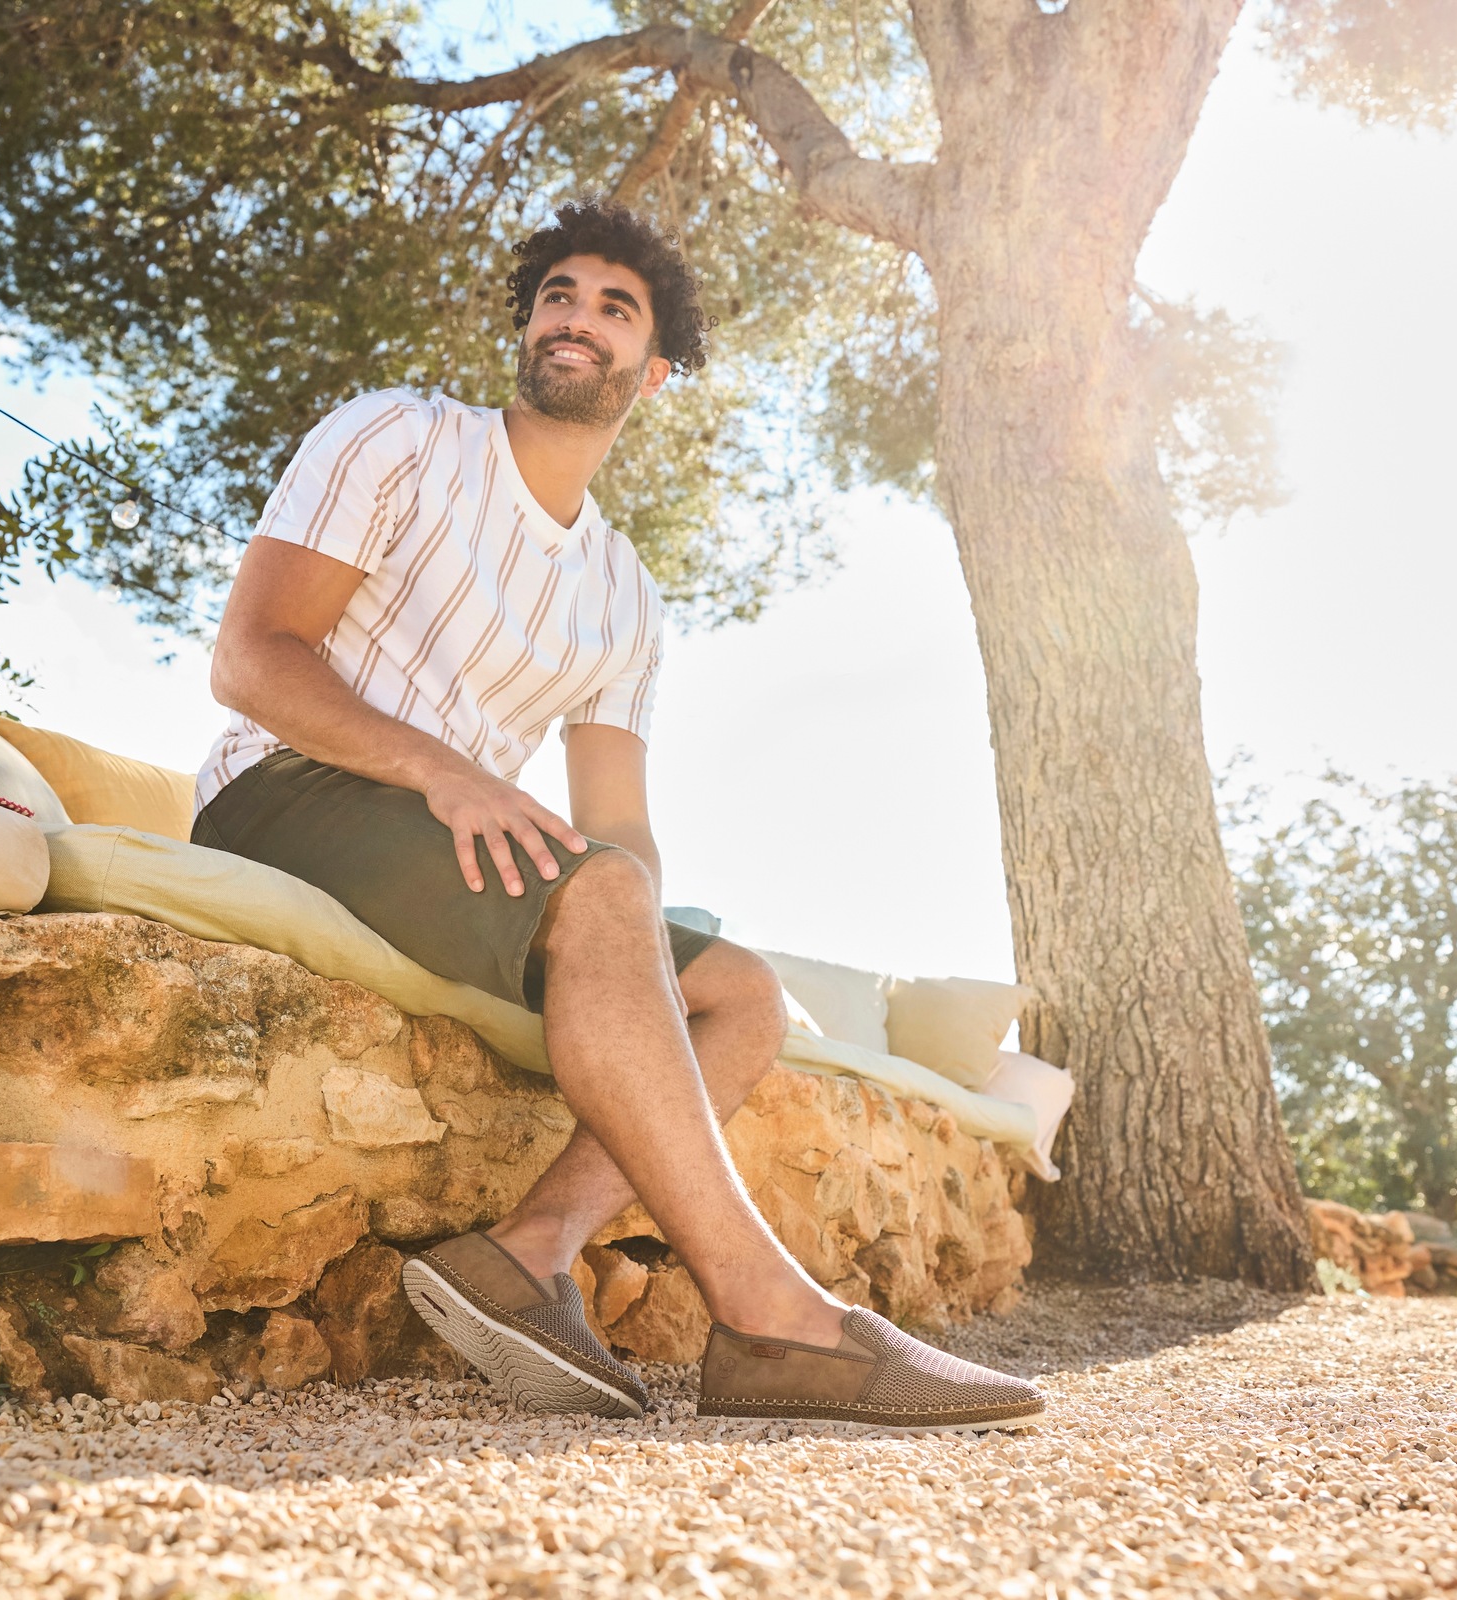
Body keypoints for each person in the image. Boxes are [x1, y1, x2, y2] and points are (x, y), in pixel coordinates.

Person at [194, 200, 1042, 1433]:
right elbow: (252, 657)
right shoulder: (399, 436)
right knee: (595, 887)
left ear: (649, 373)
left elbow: (616, 823)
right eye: (557, 294)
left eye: (612, 305)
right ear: (529, 329)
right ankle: (778, 1320)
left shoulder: (624, 594)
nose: (575, 315)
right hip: (288, 792)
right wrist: (452, 775)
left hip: (458, 843)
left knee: (739, 991)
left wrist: (630, 907)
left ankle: (530, 1249)